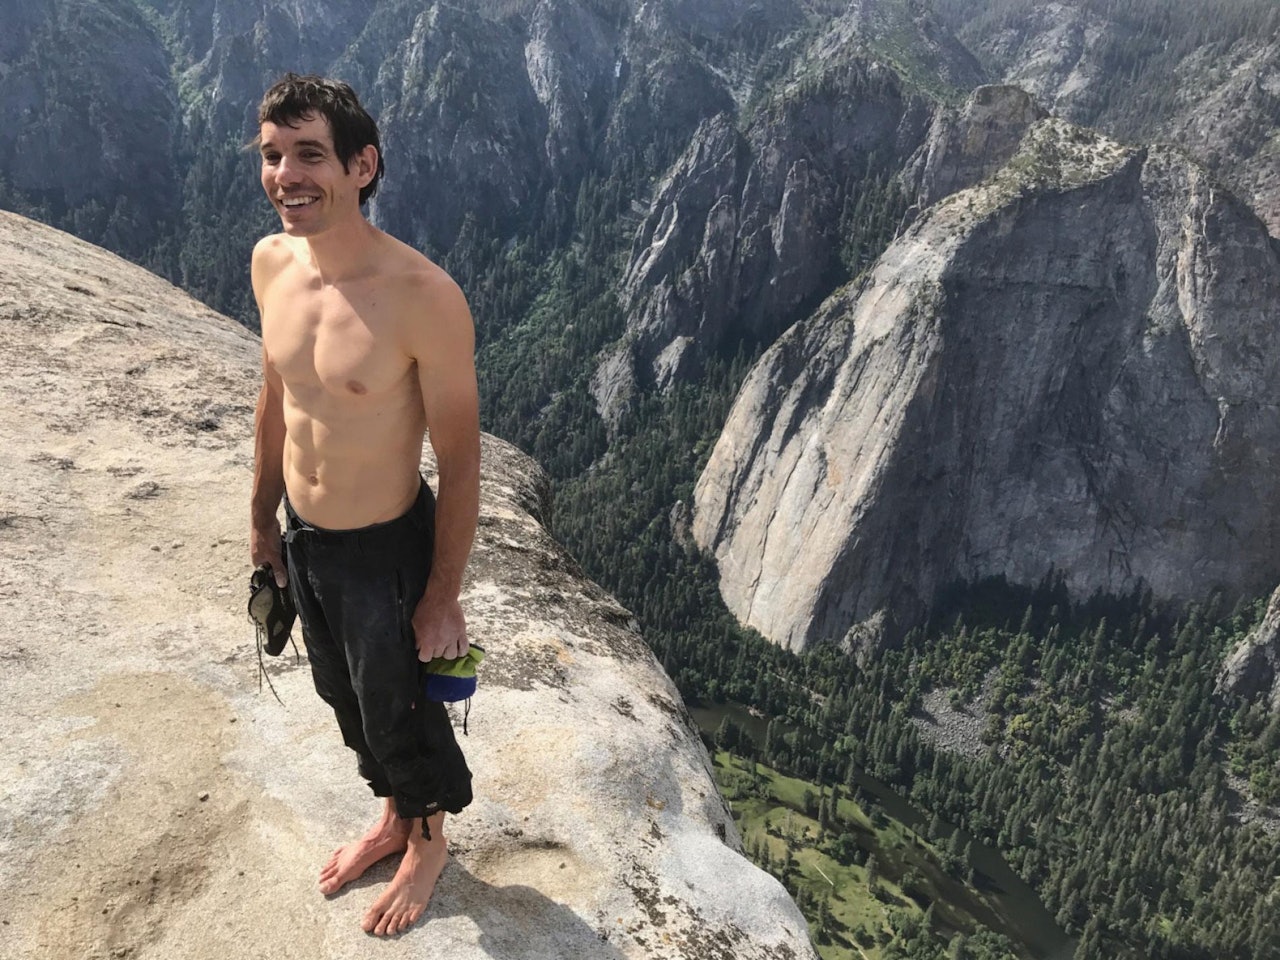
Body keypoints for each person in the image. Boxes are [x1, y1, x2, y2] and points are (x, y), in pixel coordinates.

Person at [248, 73, 480, 938]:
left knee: (403, 707)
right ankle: (392, 816)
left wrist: (442, 593)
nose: (286, 175)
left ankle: (427, 845)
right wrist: (262, 518)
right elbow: (277, 396)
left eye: (310, 154)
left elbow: (460, 461)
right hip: (308, 542)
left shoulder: (423, 297)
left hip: (386, 548)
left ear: (362, 164)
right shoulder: (272, 262)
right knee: (343, 695)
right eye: (272, 156)